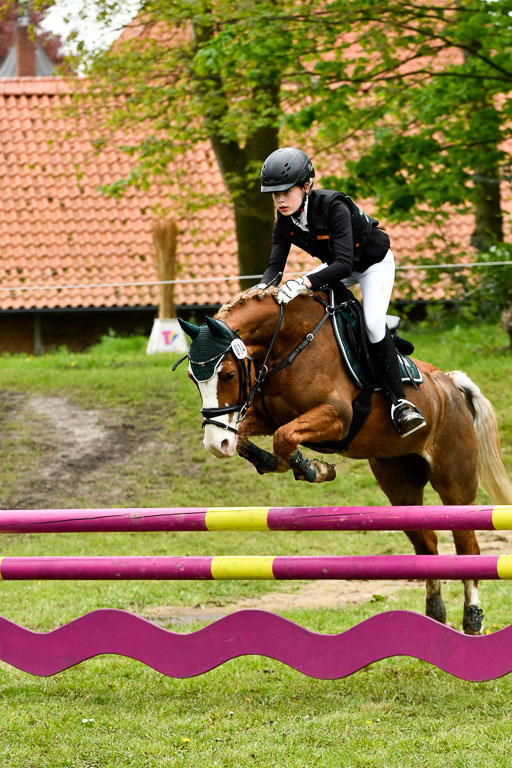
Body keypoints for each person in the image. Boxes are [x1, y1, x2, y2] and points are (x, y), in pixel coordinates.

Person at [254, 146, 426, 438]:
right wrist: (259, 291)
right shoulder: (284, 221)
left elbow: (345, 264)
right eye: (274, 194)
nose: (280, 200)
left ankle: (401, 403)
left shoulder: (333, 206)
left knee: (372, 323)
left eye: (286, 192)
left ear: (306, 186)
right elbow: (275, 269)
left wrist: (305, 281)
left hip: (372, 265)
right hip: (335, 270)